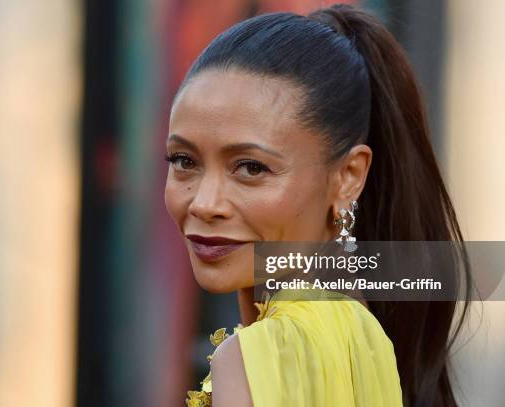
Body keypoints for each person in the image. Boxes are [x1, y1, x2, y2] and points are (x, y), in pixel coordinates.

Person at [164, 4, 470, 407]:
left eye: (251, 167)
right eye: (184, 161)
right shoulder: (364, 335)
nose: (205, 204)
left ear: (348, 177)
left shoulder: (255, 357)